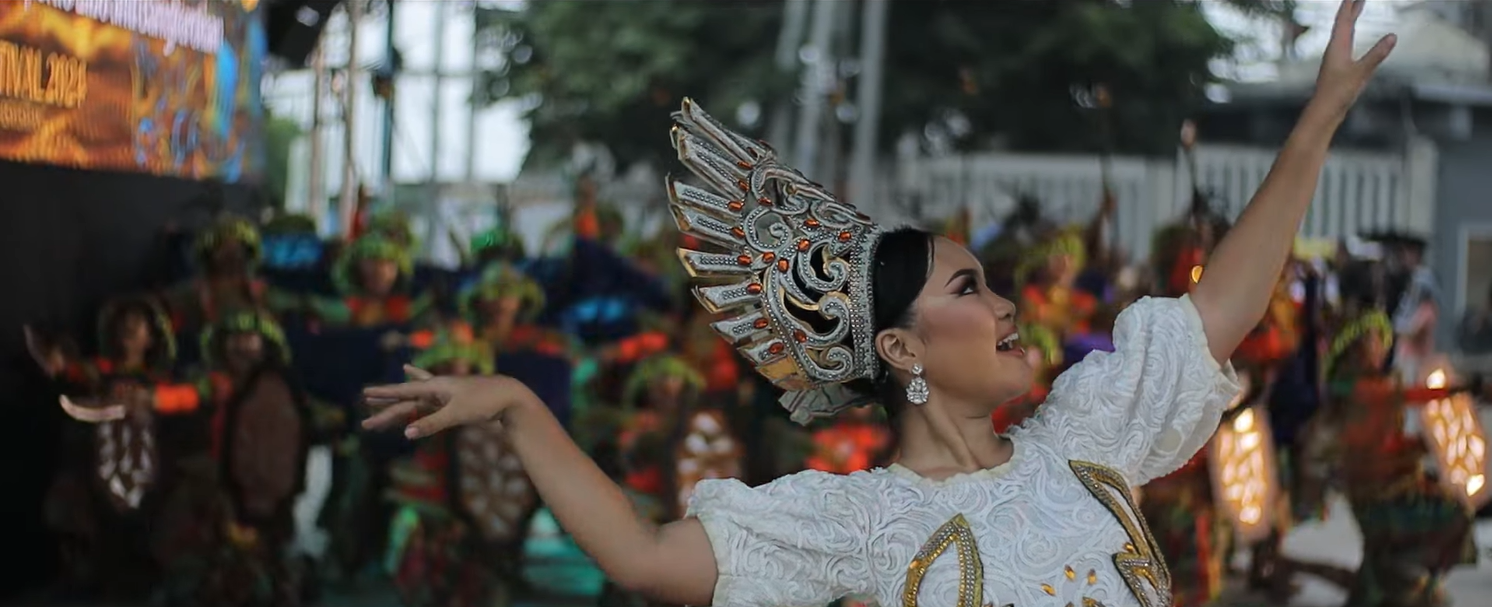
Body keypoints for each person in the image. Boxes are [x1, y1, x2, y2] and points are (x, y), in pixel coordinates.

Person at [362, 3, 1393, 605]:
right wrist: (515, 404)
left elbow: (1223, 309)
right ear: (901, 346)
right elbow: (642, 556)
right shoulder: (858, 518)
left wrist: (1317, 121)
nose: (1006, 304)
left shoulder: (1087, 438)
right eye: (969, 286)